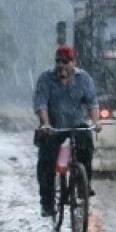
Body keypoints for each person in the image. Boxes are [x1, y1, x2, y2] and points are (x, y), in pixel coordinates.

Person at [34, 44, 100, 217]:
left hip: (76, 124)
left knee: (86, 147)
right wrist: (46, 123)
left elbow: (92, 103)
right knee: (46, 162)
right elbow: (41, 104)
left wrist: (96, 122)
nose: (61, 66)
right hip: (53, 127)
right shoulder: (46, 79)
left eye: (65, 62)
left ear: (73, 63)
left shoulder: (83, 78)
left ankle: (83, 185)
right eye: (58, 62)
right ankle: (47, 203)